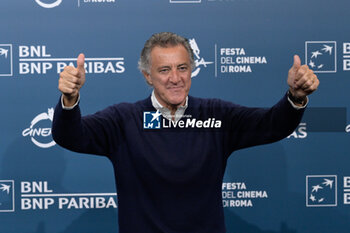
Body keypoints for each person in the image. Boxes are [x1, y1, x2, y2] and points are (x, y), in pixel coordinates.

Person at [52, 32, 319, 233]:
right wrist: (70, 98)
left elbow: (271, 125)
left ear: (191, 70)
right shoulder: (124, 120)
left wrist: (294, 97)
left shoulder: (216, 115)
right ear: (147, 76)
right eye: (164, 70)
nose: (175, 78)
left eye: (182, 68)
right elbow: (70, 136)